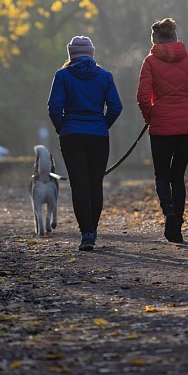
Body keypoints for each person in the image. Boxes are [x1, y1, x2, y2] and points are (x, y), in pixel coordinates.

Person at [137, 18, 188, 243]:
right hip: (187, 128)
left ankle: (168, 210)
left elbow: (142, 96)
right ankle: (177, 224)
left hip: (160, 128)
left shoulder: (149, 62)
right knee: (178, 176)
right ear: (175, 37)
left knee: (162, 175)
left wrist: (151, 116)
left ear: (155, 40)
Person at [48, 36, 123, 251]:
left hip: (72, 134)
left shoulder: (62, 76)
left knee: (79, 185)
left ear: (71, 54)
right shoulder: (105, 76)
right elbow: (116, 107)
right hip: (98, 135)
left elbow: (54, 108)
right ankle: (93, 229)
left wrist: (63, 128)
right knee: (94, 184)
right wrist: (102, 125)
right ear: (92, 53)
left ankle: (86, 233)